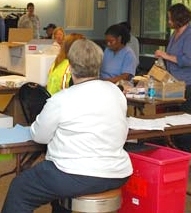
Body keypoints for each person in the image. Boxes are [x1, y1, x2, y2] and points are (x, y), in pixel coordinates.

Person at [1, 39, 132, 213]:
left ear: (70, 68)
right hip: (117, 173)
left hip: (73, 174)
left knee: (20, 188)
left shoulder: (61, 99)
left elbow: (39, 136)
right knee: (58, 191)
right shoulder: (116, 92)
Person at [154, 3, 191, 153]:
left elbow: (188, 61)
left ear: (178, 19)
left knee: (189, 116)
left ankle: (185, 150)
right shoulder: (175, 34)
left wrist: (165, 55)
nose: (168, 21)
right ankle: (175, 147)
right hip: (177, 81)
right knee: (175, 115)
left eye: (170, 18)